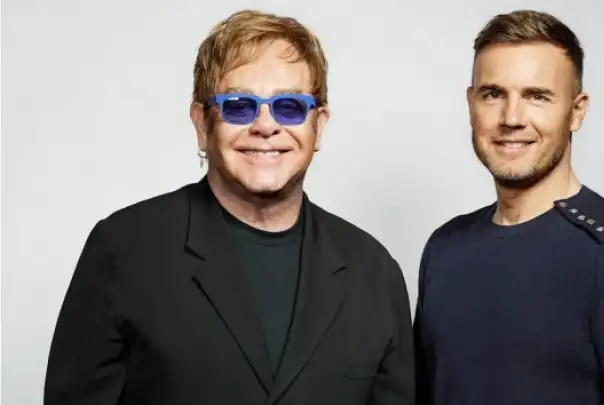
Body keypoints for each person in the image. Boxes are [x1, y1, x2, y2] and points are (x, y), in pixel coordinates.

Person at [44, 9, 414, 405]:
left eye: (290, 106)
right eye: (239, 105)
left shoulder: (375, 273)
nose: (266, 126)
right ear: (202, 124)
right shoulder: (124, 249)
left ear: (318, 126)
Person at [413, 9, 604, 405]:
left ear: (577, 111)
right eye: (493, 94)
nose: (511, 118)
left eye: (537, 96)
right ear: (470, 104)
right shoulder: (445, 247)